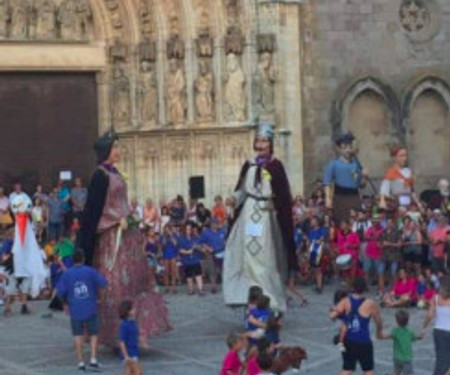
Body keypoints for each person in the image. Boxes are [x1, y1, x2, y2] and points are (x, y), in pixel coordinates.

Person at [77, 128, 170, 347]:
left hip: (126, 234)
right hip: (112, 237)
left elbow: (121, 202)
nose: (118, 150)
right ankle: (117, 336)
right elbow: (95, 209)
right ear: (107, 150)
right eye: (115, 147)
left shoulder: (115, 173)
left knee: (134, 281)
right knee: (115, 284)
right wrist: (115, 219)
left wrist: (130, 217)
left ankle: (136, 331)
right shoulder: (99, 175)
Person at [224, 122, 297, 312]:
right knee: (245, 257)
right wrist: (234, 199)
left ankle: (271, 300)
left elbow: (282, 195)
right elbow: (241, 190)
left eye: (265, 140)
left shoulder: (276, 166)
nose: (262, 144)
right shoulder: (249, 165)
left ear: (270, 143)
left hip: (266, 214)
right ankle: (248, 297)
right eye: (259, 140)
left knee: (266, 260)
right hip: (248, 214)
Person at [56, 250, 107, 371]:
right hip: (91, 306)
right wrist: (101, 299)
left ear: (73, 260)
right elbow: (103, 284)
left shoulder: (67, 274)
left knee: (77, 335)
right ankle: (93, 358)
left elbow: (60, 292)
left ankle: (80, 361)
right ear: (83, 259)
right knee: (94, 333)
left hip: (75, 309)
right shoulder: (90, 271)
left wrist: (66, 303)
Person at [329, 276, 383, 375]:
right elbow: (378, 321)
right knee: (368, 370)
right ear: (364, 288)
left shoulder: (345, 301)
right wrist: (379, 333)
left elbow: (332, 316)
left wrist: (336, 311)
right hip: (364, 341)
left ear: (353, 286)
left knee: (347, 369)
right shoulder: (370, 303)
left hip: (349, 340)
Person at [9, 187, 47, 311]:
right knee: (14, 283)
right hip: (17, 261)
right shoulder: (17, 228)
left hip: (24, 260)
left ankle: (24, 305)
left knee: (24, 282)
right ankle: (9, 307)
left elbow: (36, 222)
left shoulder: (29, 227)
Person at [324, 132, 368, 223]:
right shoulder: (334, 164)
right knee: (341, 222)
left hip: (354, 196)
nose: (348, 150)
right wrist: (328, 198)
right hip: (340, 197)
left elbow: (361, 185)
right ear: (340, 149)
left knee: (356, 221)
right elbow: (327, 183)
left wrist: (364, 177)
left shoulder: (356, 164)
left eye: (349, 147)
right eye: (344, 148)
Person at [378, 309, 422, 375]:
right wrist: (420, 336)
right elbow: (416, 337)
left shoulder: (395, 331)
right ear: (408, 321)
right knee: (408, 373)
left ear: (396, 321)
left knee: (397, 371)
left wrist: (380, 329)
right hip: (406, 358)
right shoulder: (409, 332)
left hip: (397, 357)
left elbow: (384, 336)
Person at [422, 275, 450, 375]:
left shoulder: (436, 298)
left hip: (439, 331)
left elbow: (429, 315)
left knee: (441, 358)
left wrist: (424, 326)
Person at [380, 146, 416, 211]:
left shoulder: (408, 171)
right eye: (401, 156)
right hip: (397, 203)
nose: (404, 158)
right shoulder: (391, 172)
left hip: (409, 203)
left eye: (405, 155)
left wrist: (418, 203)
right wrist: (382, 200)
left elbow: (412, 190)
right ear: (395, 157)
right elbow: (384, 189)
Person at [200, 218, 226, 293]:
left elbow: (225, 239)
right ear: (211, 225)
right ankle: (213, 286)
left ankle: (225, 284)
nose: (216, 225)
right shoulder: (206, 232)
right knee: (212, 270)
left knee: (222, 269)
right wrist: (208, 248)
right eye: (214, 223)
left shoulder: (222, 231)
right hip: (211, 253)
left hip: (222, 252)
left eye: (217, 223)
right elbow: (201, 242)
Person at [178, 223, 204, 295]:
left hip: (195, 259)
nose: (188, 231)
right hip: (187, 260)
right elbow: (179, 250)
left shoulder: (196, 238)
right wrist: (187, 252)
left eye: (189, 229)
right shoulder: (181, 238)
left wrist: (197, 247)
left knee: (198, 275)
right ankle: (191, 289)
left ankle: (200, 289)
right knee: (189, 276)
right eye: (187, 229)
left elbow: (202, 248)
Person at [118, 300, 143, 375]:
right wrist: (126, 356)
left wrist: (141, 341)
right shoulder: (124, 325)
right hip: (129, 353)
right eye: (132, 309)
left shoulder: (133, 322)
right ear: (127, 311)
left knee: (129, 372)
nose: (135, 310)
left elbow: (135, 335)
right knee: (137, 372)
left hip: (134, 351)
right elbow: (121, 341)